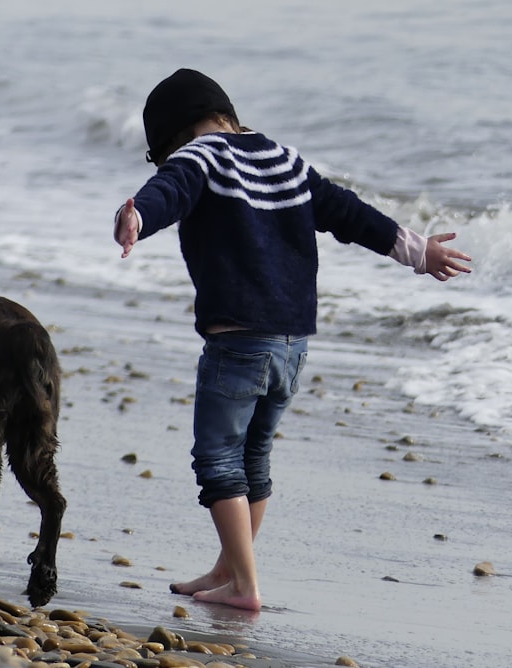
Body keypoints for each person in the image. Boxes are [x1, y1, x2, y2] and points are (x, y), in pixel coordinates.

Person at [113, 68, 471, 611]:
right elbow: (349, 213)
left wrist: (137, 216)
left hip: (237, 342)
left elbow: (169, 191)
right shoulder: (286, 159)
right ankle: (229, 569)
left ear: (177, 134)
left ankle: (245, 585)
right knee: (253, 457)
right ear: (227, 112)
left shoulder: (198, 155)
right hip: (292, 344)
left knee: (217, 460)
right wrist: (419, 252)